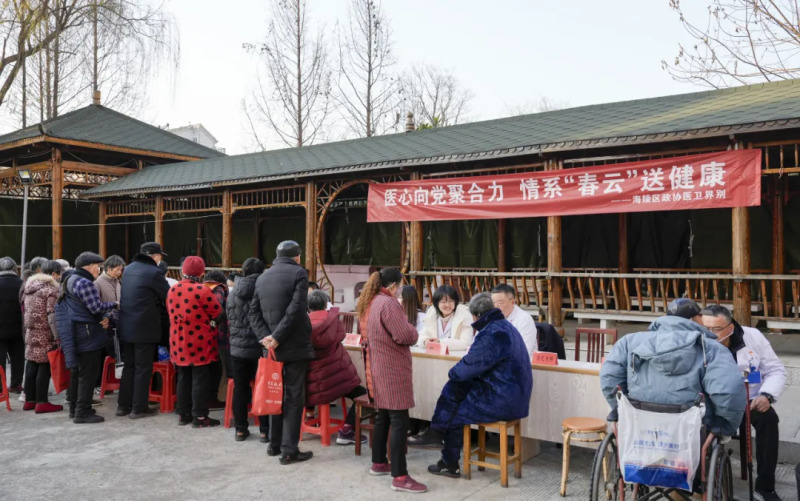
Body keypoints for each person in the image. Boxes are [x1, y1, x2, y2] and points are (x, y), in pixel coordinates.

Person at [422, 292, 533, 478]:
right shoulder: (504, 326)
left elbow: (466, 369)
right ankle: (436, 432)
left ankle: (448, 459)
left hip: (504, 401)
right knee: (456, 388)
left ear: (476, 316)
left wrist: (452, 373)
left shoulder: (491, 333)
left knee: (455, 412)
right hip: (512, 395)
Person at [600, 298, 747, 438]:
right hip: (693, 427)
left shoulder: (628, 342)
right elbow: (729, 390)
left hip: (641, 422)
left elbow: (609, 378)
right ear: (693, 319)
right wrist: (725, 426)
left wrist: (623, 408)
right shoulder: (711, 348)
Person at [701, 305, 787, 501]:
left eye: (716, 329)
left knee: (768, 419)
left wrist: (766, 395)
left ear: (730, 328)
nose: (710, 334)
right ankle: (701, 481)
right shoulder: (698, 340)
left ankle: (764, 488)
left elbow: (775, 370)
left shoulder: (753, 337)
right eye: (706, 328)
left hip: (749, 399)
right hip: (713, 402)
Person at [356, 267, 426, 494]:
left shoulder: (370, 301)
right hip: (392, 370)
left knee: (383, 416)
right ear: (394, 285)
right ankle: (400, 476)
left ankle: (379, 462)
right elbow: (406, 335)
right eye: (401, 285)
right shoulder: (389, 303)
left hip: (377, 367)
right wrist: (413, 331)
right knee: (399, 421)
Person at [249, 240, 315, 465]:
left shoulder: (262, 277)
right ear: (298, 256)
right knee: (293, 398)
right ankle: (289, 451)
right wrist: (276, 337)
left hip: (271, 349)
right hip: (294, 346)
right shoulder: (299, 273)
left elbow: (253, 313)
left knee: (274, 392)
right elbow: (296, 309)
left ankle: (274, 444)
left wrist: (267, 339)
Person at [57, 252, 118, 423]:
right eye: (98, 266)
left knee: (78, 373)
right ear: (89, 266)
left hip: (76, 332)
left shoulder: (70, 279)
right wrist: (115, 304)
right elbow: (95, 308)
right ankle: (82, 412)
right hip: (87, 333)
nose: (99, 270)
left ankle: (75, 408)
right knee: (88, 374)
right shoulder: (84, 282)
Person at [304, 289, 367, 445]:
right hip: (336, 380)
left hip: (311, 384)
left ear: (308, 306)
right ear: (326, 304)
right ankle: (347, 430)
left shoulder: (302, 324)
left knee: (309, 381)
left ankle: (310, 416)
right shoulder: (333, 322)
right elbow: (342, 336)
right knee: (363, 396)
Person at [168, 257, 223, 427]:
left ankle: (183, 414)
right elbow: (218, 313)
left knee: (183, 376)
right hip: (199, 340)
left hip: (178, 339)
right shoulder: (202, 290)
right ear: (201, 273)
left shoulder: (173, 289)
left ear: (183, 271)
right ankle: (199, 417)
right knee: (200, 378)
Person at [117, 242, 170, 419]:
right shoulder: (154, 272)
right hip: (145, 328)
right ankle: (139, 408)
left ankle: (123, 406)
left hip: (126, 326)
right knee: (143, 368)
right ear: (155, 256)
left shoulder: (128, 269)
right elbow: (168, 296)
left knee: (129, 366)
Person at [227, 257, 270, 442]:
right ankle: (265, 431)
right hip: (260, 348)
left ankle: (240, 429)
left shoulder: (232, 293)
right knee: (262, 387)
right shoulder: (264, 291)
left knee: (240, 388)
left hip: (237, 349)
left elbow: (229, 317)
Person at [21, 260, 63, 413]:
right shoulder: (51, 290)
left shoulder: (30, 287)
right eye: (59, 274)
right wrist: (58, 336)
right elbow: (52, 316)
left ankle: (29, 400)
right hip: (45, 333)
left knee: (32, 364)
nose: (60, 277)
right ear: (54, 274)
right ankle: (42, 402)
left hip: (30, 331)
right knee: (44, 366)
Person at [94, 255, 124, 391]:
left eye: (121, 269)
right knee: (103, 354)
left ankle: (110, 382)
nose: (120, 272)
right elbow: (96, 306)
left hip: (117, 324)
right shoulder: (98, 283)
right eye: (117, 269)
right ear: (108, 268)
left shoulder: (118, 281)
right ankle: (99, 384)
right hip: (104, 324)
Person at [417, 285, 473, 351]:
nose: (447, 305)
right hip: (434, 354)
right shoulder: (431, 314)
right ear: (436, 303)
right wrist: (425, 341)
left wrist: (440, 342)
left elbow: (466, 343)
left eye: (451, 301)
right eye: (443, 302)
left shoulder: (464, 315)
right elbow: (420, 336)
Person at [204, 269, 229, 410]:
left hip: (202, 334)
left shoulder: (202, 287)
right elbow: (217, 309)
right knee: (218, 367)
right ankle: (215, 398)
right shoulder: (218, 289)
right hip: (218, 334)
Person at [490, 284, 537, 359]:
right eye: (493, 303)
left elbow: (523, 351)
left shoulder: (524, 319)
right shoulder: (491, 317)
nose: (496, 307)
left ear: (512, 302)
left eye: (500, 303)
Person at [0, 257, 24, 394]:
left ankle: (0, 388)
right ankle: (16, 385)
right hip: (18, 328)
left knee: (0, 360)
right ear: (15, 269)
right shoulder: (22, 284)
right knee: (18, 358)